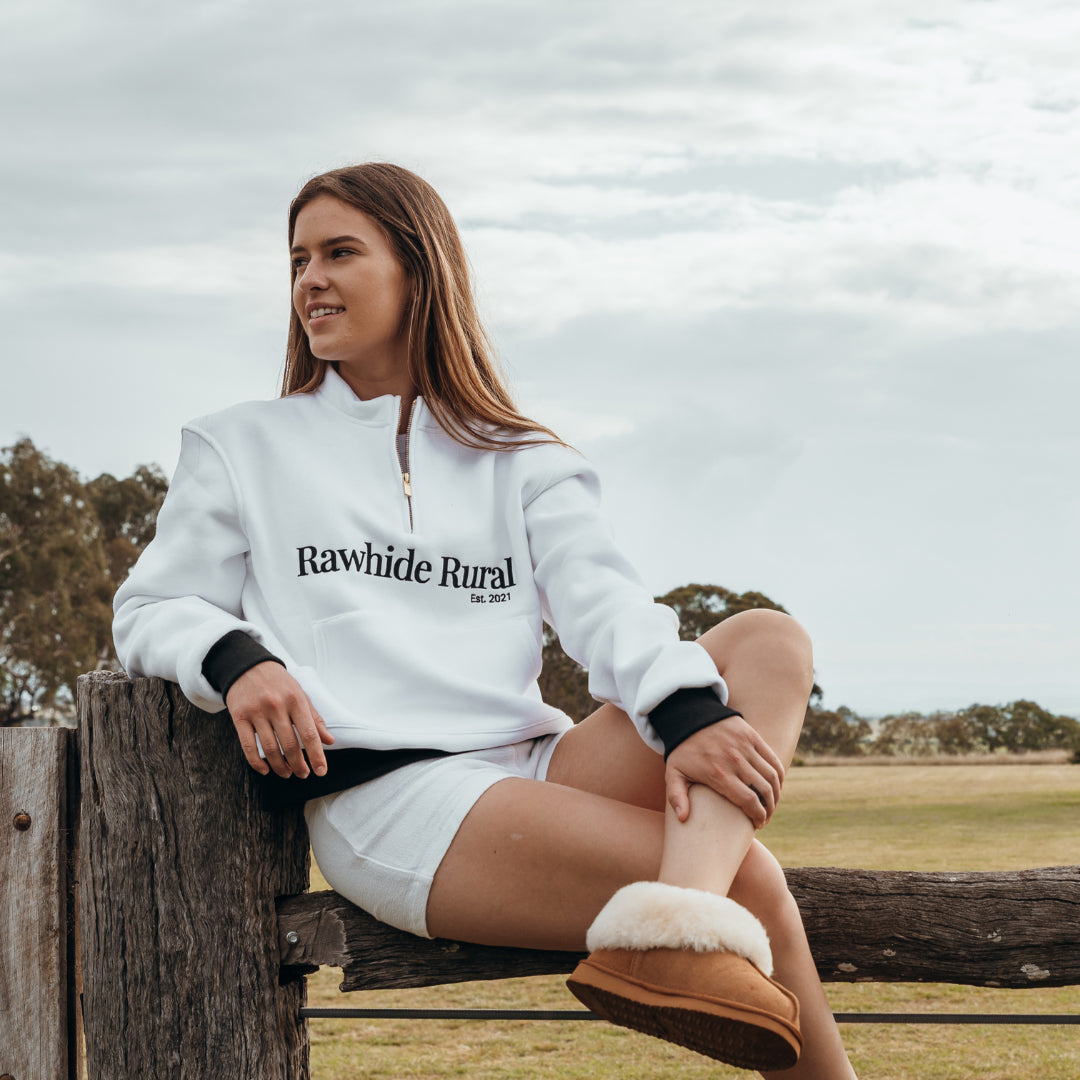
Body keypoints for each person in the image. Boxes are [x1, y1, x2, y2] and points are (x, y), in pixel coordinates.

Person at [113, 162, 857, 1078]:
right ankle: (688, 925)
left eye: (340, 253)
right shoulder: (240, 445)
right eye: (298, 260)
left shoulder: (523, 457)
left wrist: (687, 714)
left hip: (535, 763)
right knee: (752, 880)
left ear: (418, 270)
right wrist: (237, 659)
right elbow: (151, 607)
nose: (310, 280)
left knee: (769, 641)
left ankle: (677, 929)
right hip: (394, 797)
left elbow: (605, 605)